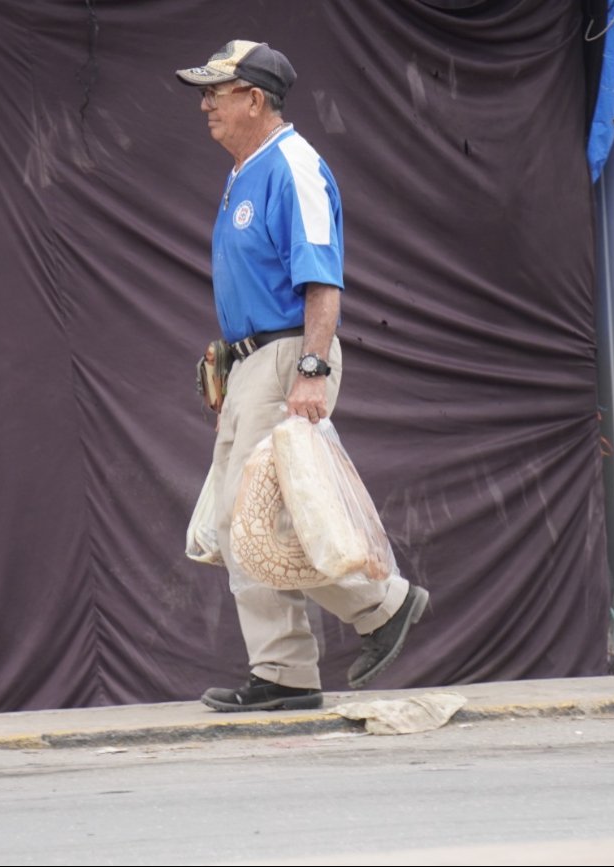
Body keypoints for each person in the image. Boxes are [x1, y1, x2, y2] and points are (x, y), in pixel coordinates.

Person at [176, 40, 429, 712]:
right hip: (259, 358)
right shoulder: (248, 170)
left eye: (215, 93)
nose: (205, 105)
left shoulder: (294, 167)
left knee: (252, 520)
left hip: (292, 353)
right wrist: (233, 359)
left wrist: (310, 370)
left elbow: (322, 286)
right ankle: (297, 662)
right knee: (246, 522)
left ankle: (375, 609)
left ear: (253, 99)